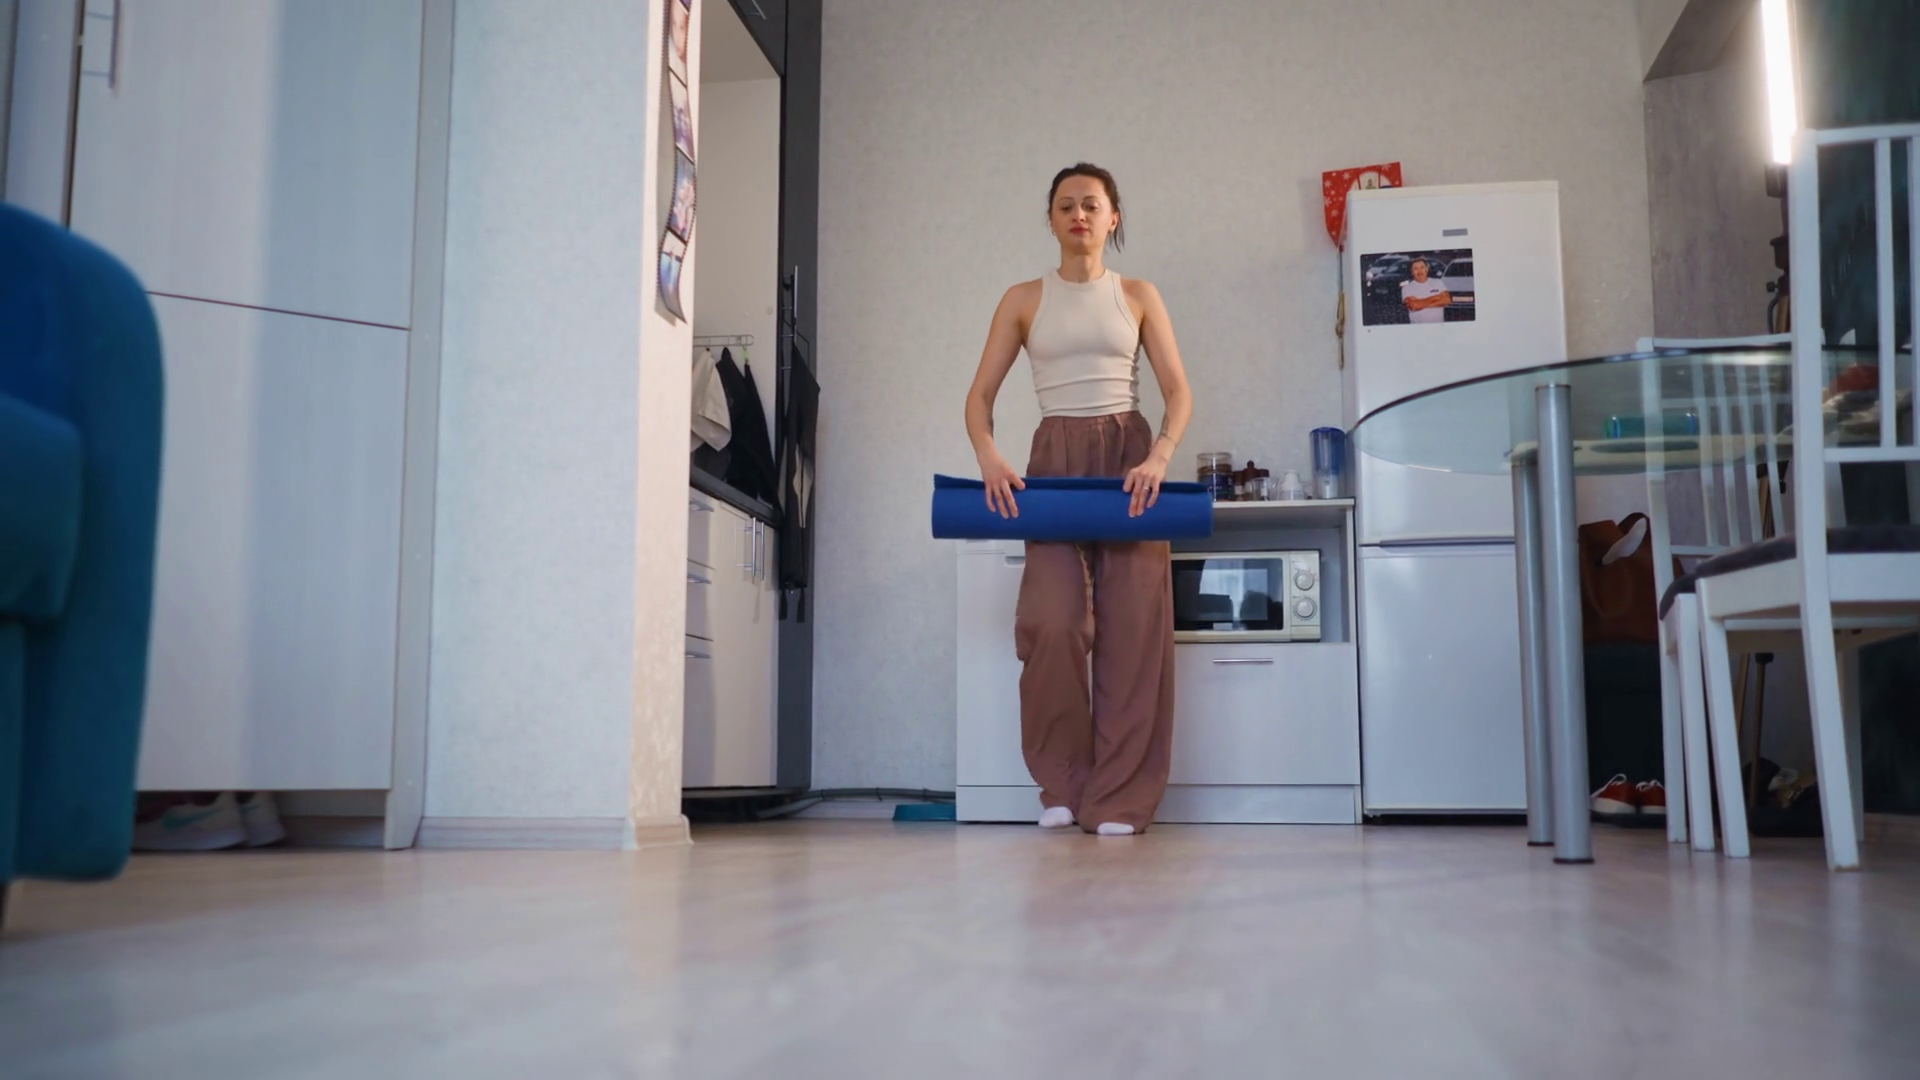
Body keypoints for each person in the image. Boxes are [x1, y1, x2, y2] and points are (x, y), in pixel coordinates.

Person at [963, 163, 1195, 836]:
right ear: (1051, 219)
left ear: (1112, 217)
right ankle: (1063, 784)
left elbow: (1178, 392)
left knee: (1133, 630)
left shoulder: (1139, 295)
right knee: (1053, 618)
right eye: (1065, 205)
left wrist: (1159, 456)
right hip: (1055, 463)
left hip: (1130, 463)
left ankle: (1119, 798)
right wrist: (989, 457)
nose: (1079, 215)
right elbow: (979, 398)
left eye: (1091, 204)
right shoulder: (1022, 299)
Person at [1399, 256, 1450, 324]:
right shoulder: (1407, 288)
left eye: (1422, 267)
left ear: (1427, 269)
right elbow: (1414, 306)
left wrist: (1420, 303)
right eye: (1415, 269)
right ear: (1412, 272)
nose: (1419, 271)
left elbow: (1447, 300)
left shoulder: (1438, 282)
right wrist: (1436, 297)